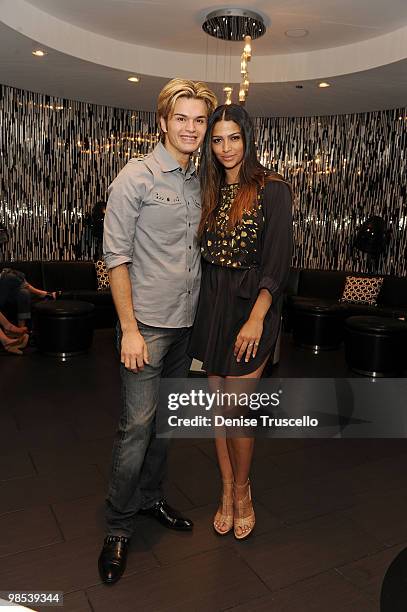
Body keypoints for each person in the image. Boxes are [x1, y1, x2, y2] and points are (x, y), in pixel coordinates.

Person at [99, 78, 217, 585]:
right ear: (163, 121)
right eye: (182, 118)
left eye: (199, 120)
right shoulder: (137, 177)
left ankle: (150, 500)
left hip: (186, 324)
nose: (191, 128)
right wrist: (127, 328)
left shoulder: (199, 179)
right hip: (145, 327)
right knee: (136, 430)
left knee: (167, 425)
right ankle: (119, 528)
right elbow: (116, 257)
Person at [189, 103, 293, 540]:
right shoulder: (208, 188)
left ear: (247, 138)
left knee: (237, 410)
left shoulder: (272, 188)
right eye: (217, 139)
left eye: (233, 137)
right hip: (212, 304)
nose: (226, 147)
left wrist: (256, 318)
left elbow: (278, 260)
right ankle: (226, 489)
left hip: (253, 307)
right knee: (218, 410)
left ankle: (245, 490)